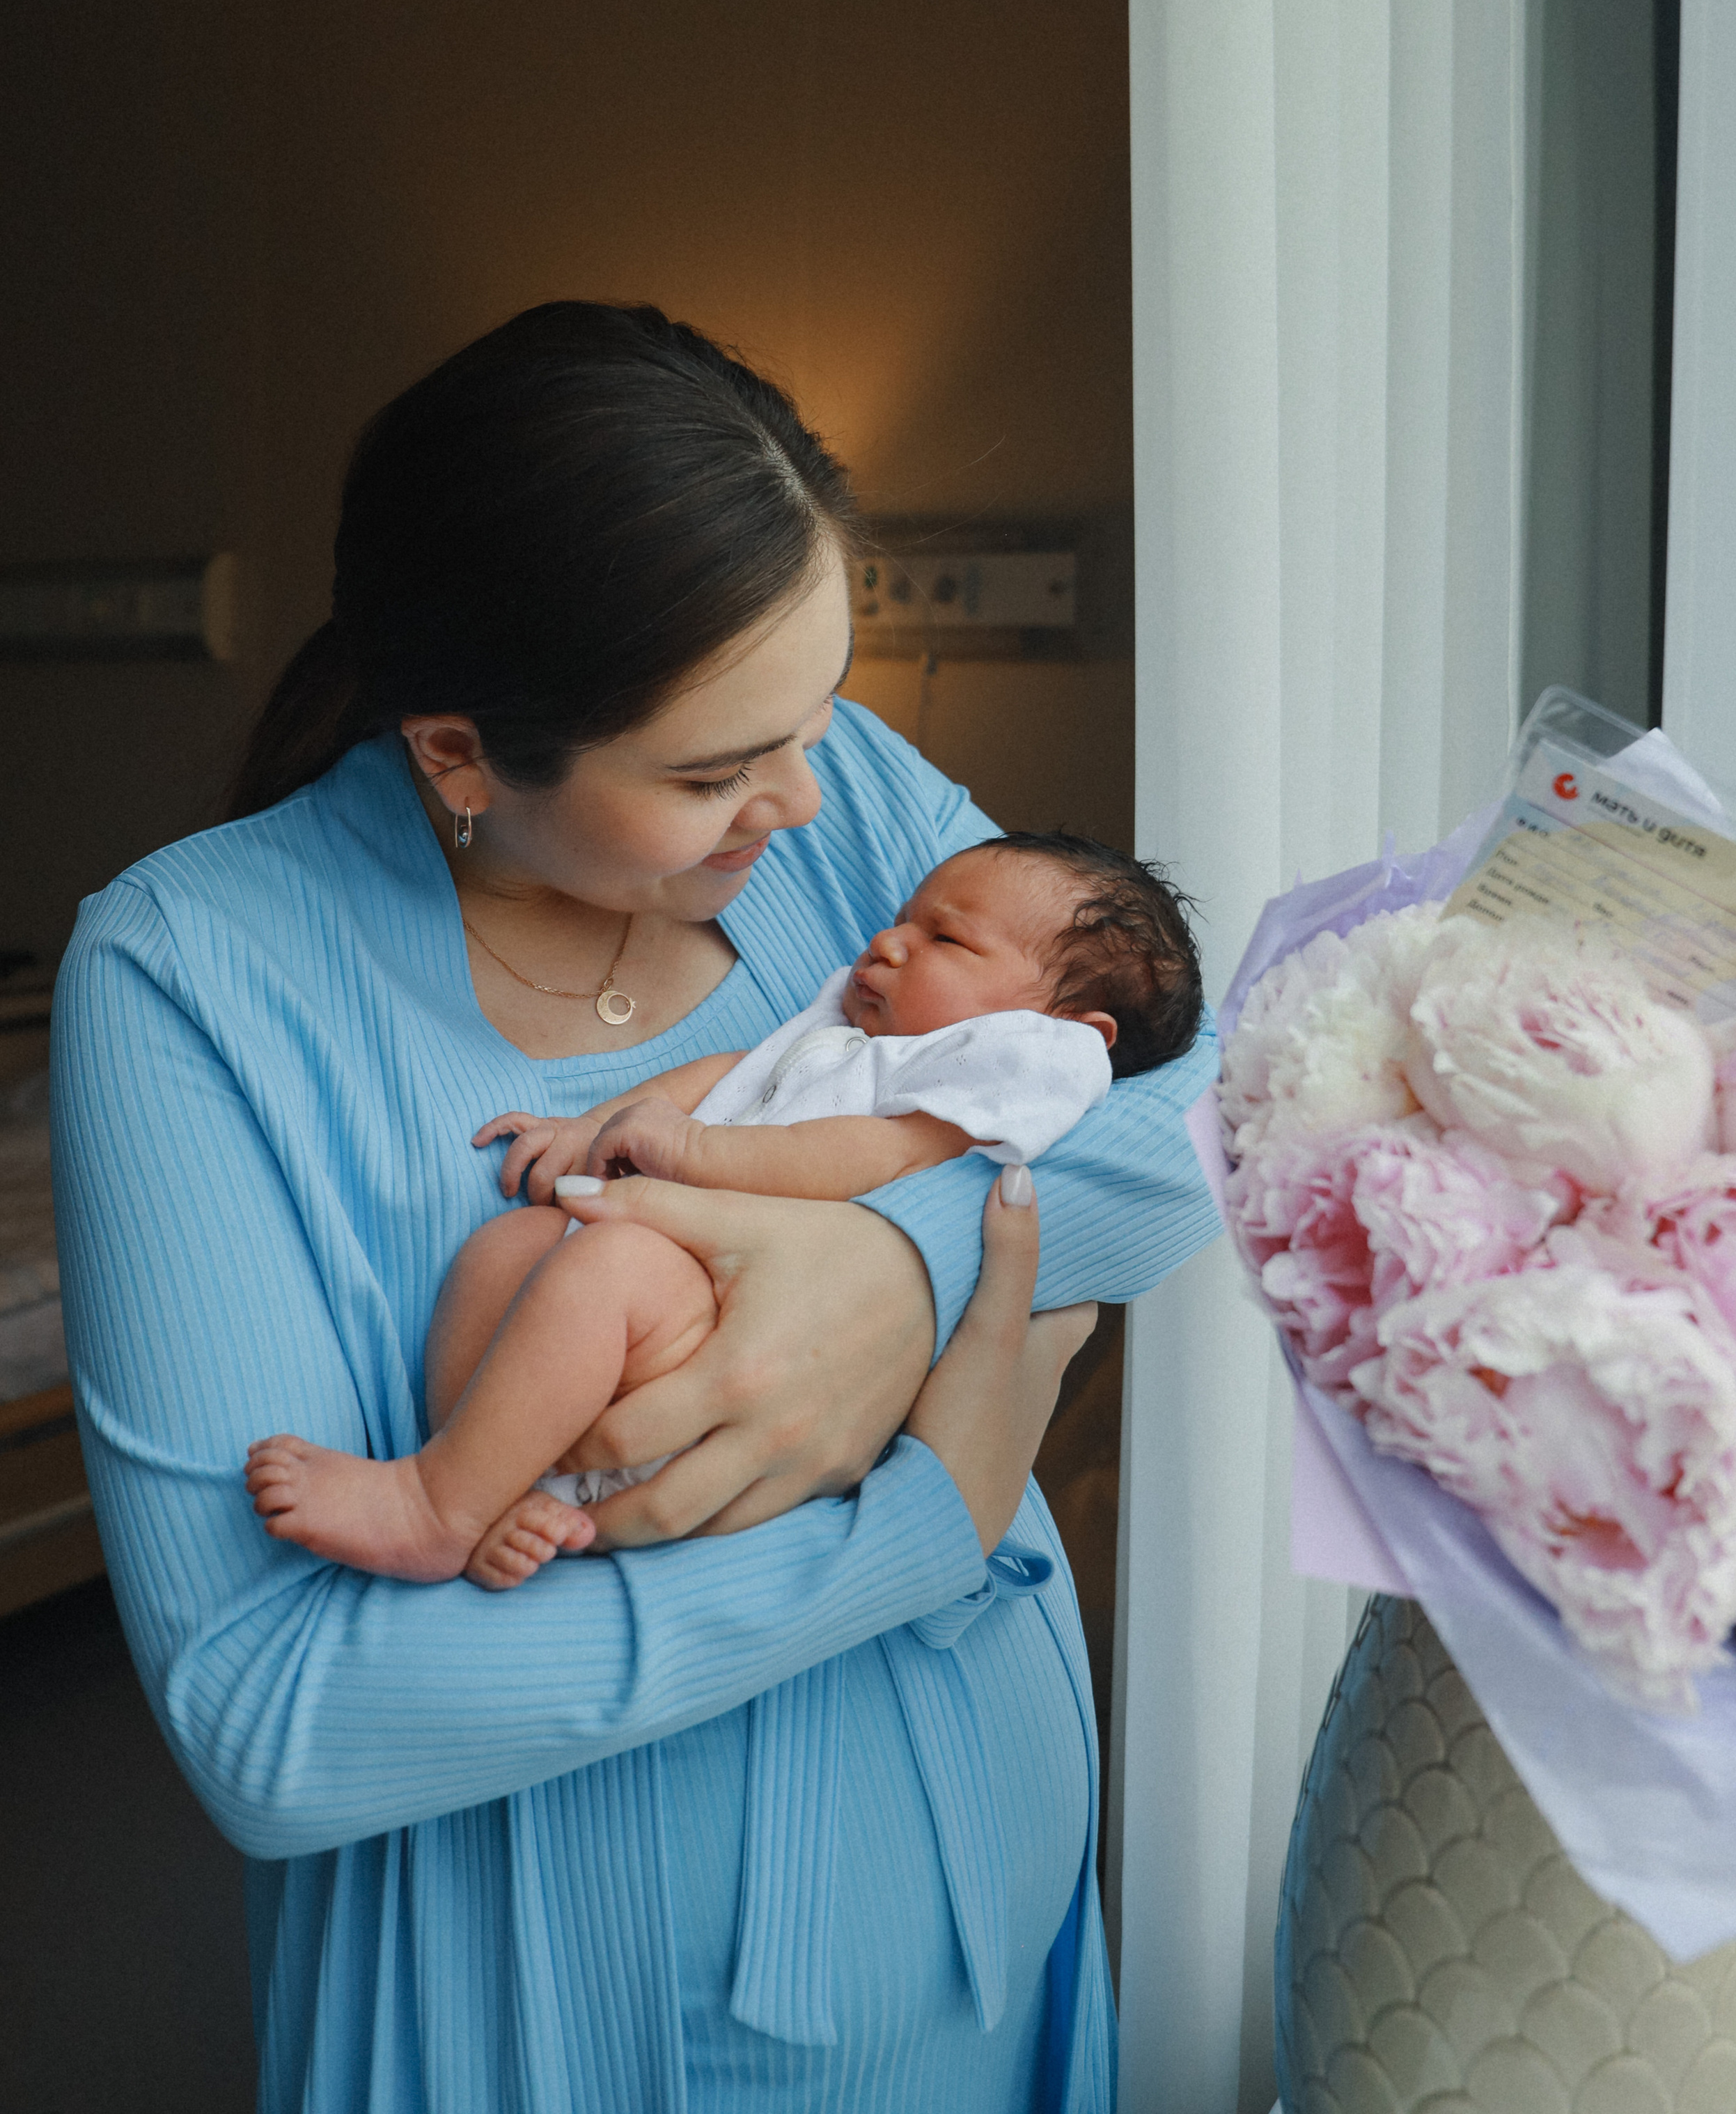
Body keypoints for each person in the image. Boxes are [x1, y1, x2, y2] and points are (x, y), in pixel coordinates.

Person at [51, 303, 1221, 2114]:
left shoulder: (838, 822)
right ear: (460, 751)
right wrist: (920, 1511)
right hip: (562, 2004)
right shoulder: (196, 969)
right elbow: (275, 1726)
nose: (813, 797)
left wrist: (891, 1272)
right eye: (706, 773)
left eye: (820, 710)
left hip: (980, 1928)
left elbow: (1190, 1112)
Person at [243, 832, 1205, 1588]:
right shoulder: (849, 1027)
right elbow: (731, 1076)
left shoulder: (974, 1083)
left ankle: (434, 1510)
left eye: (945, 938)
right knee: (512, 1246)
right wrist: (599, 1124)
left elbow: (862, 1159)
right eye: (903, 918)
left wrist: (695, 1152)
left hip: (736, 1321)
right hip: (667, 1288)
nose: (889, 939)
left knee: (605, 1267)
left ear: (1061, 1035)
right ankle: (496, 1475)